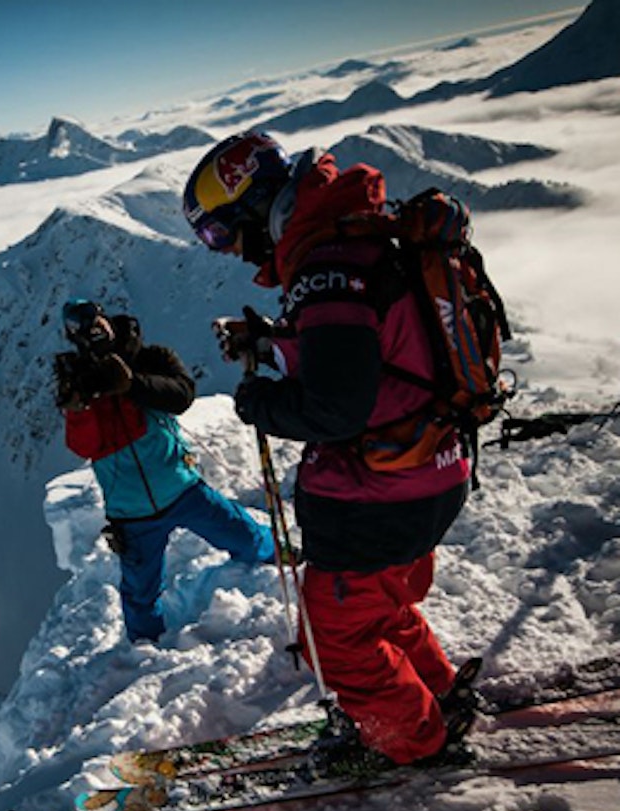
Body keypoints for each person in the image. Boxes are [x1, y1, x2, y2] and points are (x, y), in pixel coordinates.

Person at [181, 130, 473, 765]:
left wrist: (261, 404)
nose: (228, 251)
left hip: (380, 493)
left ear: (254, 205)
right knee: (382, 609)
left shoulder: (325, 268)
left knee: (337, 637)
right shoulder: (357, 241)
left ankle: (413, 741)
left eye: (222, 233)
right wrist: (277, 345)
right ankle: (437, 694)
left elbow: (335, 407)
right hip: (433, 469)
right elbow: (371, 352)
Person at [54, 299, 275, 645]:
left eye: (96, 322)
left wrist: (132, 384)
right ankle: (146, 650)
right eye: (85, 329)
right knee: (140, 594)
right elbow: (86, 445)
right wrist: (78, 408)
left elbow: (181, 395)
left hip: (180, 487)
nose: (95, 331)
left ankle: (285, 557)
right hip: (132, 511)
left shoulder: (150, 357)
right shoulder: (82, 380)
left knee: (243, 534)